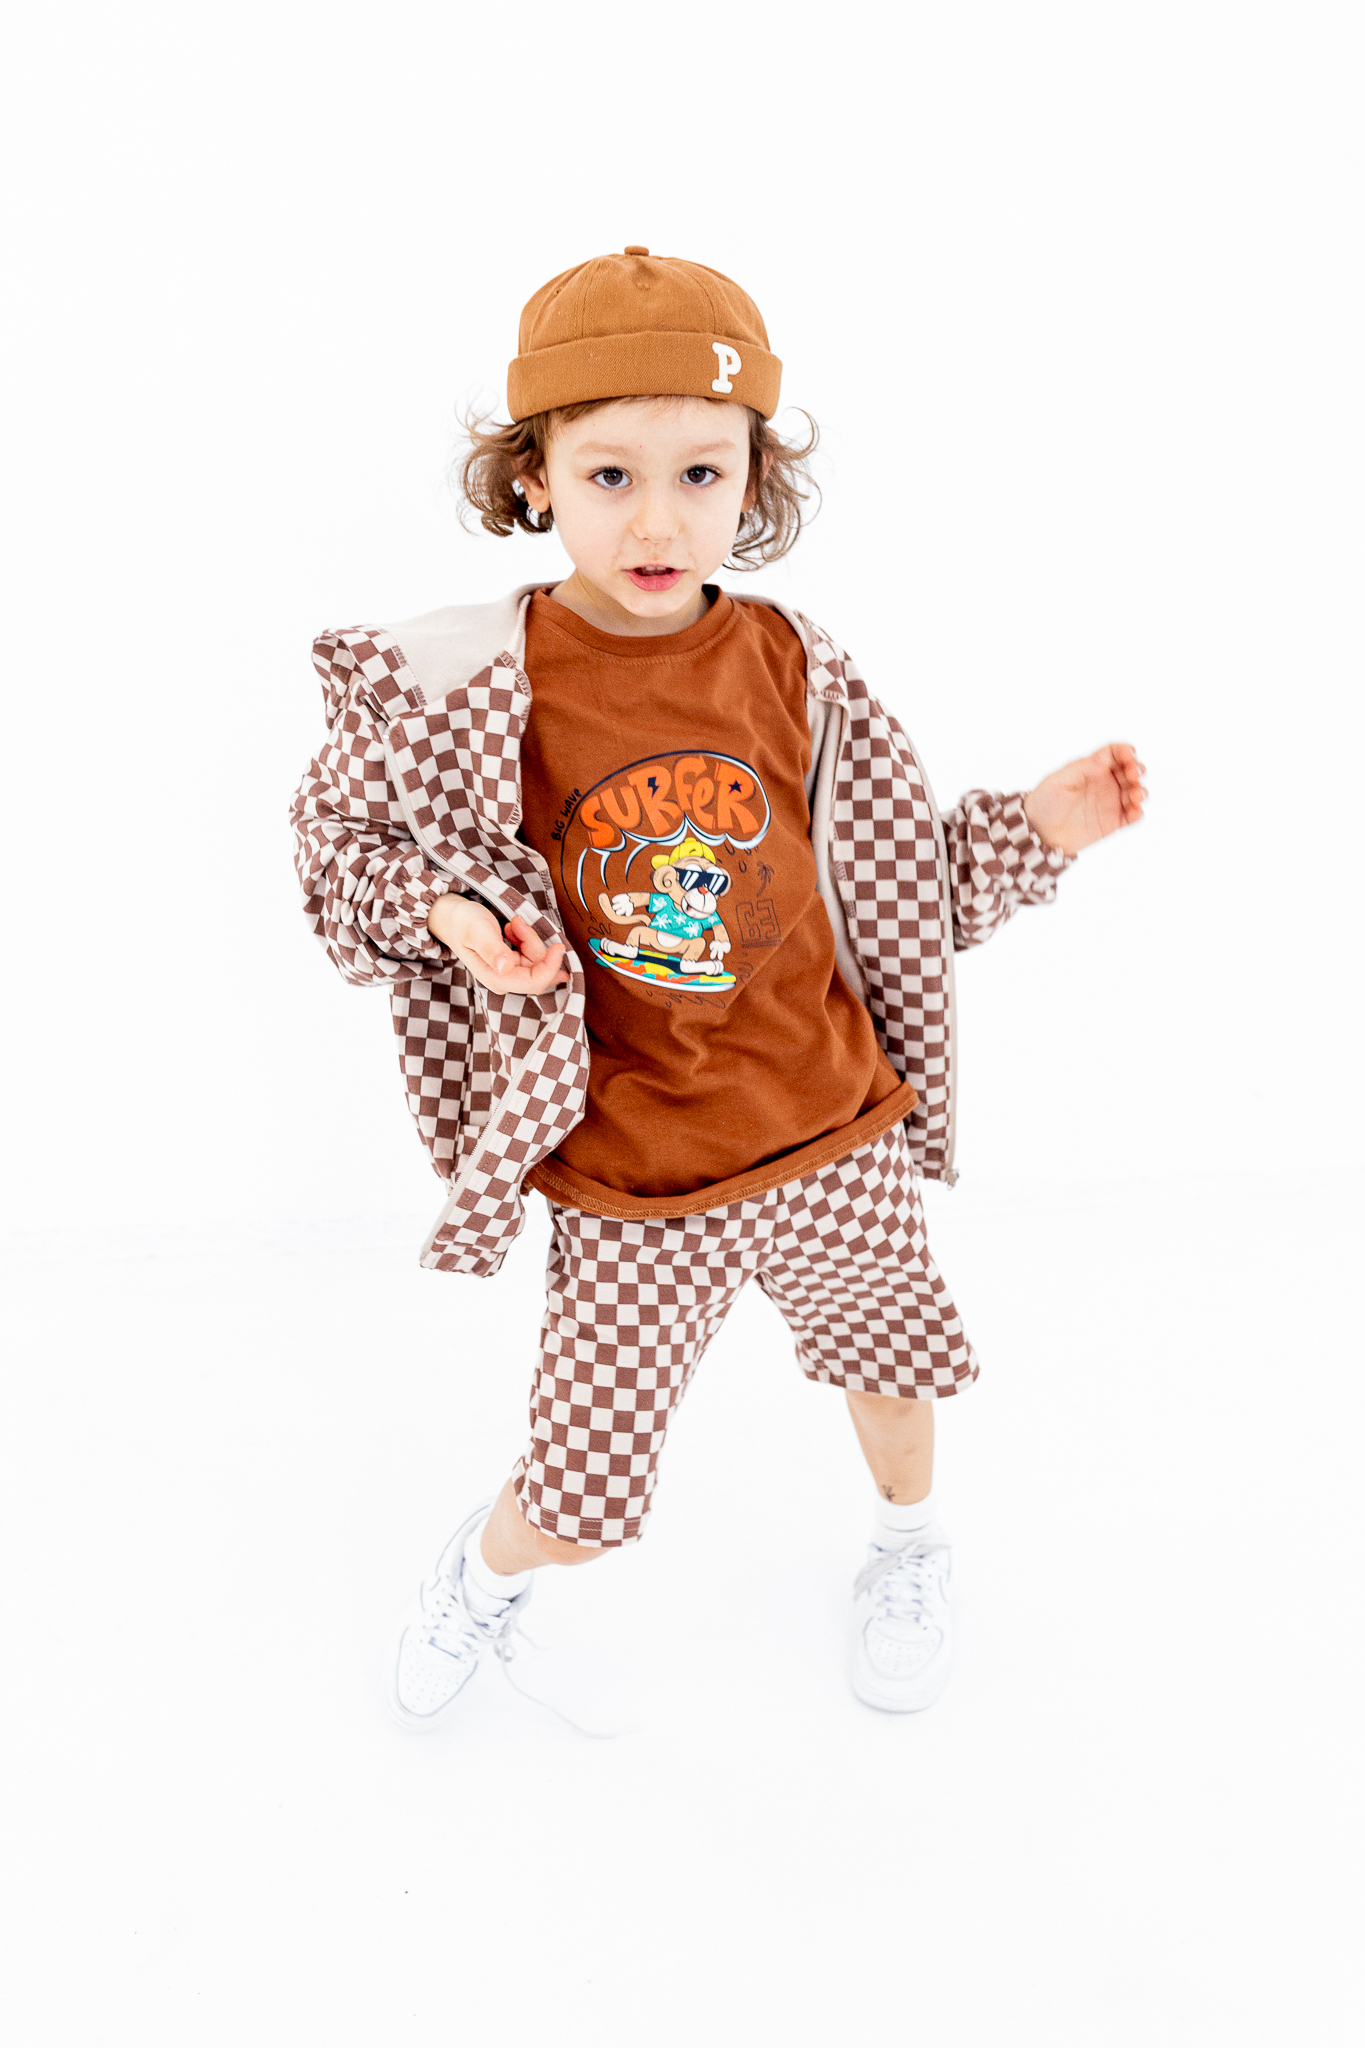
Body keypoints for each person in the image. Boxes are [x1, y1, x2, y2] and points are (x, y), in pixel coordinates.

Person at [291, 248, 1146, 1726]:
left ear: (754, 480)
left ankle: (907, 1547)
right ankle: (486, 1574)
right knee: (580, 1491)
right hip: (637, 1174)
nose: (658, 518)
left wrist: (1037, 831)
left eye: (701, 472)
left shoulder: (795, 665)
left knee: (892, 1367)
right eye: (609, 475)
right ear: (533, 477)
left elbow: (897, 893)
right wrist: (449, 915)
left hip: (833, 1131)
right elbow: (336, 870)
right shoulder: (457, 690)